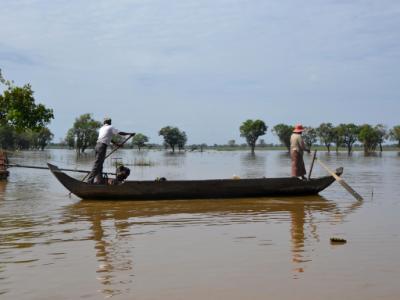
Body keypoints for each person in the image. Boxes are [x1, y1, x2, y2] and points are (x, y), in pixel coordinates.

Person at [87, 118, 135, 184]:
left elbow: (108, 138)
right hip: (102, 146)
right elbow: (119, 133)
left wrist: (116, 144)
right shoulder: (110, 127)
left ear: (104, 122)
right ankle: (89, 181)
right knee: (97, 165)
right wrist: (130, 134)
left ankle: (99, 180)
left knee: (99, 165)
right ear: (110, 122)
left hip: (97, 146)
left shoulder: (102, 128)